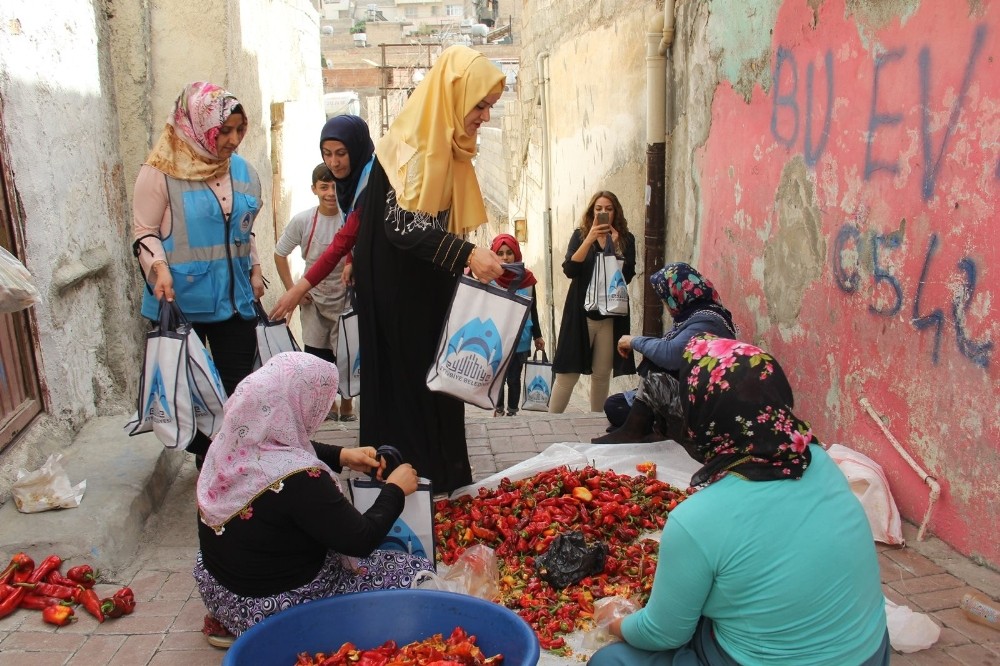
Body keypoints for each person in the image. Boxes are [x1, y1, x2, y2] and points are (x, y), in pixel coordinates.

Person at [588, 335, 890, 666]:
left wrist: (614, 620)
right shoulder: (818, 459)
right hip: (869, 654)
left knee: (612, 660)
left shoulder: (696, 520)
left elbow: (663, 634)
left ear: (700, 416)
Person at [193, 351, 430, 647]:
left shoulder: (228, 441)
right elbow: (360, 540)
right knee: (412, 570)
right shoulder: (300, 480)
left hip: (222, 591)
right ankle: (276, 634)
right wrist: (395, 490)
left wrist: (343, 456)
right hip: (275, 608)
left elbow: (285, 442)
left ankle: (229, 624)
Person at [352, 45, 506, 494]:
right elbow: (403, 227)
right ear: (455, 96)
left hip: (420, 288)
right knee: (414, 392)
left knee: (436, 388)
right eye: (480, 105)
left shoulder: (441, 141)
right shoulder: (418, 145)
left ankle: (440, 481)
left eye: (489, 107)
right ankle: (412, 491)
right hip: (403, 298)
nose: (485, 117)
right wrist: (467, 254)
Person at [132, 81, 264, 461]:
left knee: (240, 390)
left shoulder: (243, 172)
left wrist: (255, 268)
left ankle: (239, 462)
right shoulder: (160, 170)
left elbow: (244, 227)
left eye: (240, 129)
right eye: (225, 130)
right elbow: (144, 230)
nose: (234, 139)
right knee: (189, 394)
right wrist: (158, 266)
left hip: (234, 301)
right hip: (181, 301)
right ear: (197, 125)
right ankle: (209, 464)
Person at [593, 263, 737, 443]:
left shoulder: (707, 321)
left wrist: (633, 341)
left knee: (650, 372)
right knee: (615, 404)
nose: (665, 304)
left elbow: (670, 355)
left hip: (702, 405)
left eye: (665, 299)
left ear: (677, 295)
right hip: (690, 392)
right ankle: (646, 428)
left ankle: (636, 431)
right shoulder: (696, 315)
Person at [269, 115, 375, 324]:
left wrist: (298, 289)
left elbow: (343, 241)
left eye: (341, 154)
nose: (333, 163)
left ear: (356, 149)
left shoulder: (371, 185)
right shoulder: (352, 183)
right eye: (327, 154)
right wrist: (353, 260)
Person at [273, 164, 354, 421]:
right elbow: (279, 254)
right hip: (314, 300)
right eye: (324, 187)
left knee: (347, 353)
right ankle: (327, 404)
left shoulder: (349, 219)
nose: (330, 193)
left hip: (345, 297)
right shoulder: (303, 221)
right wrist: (293, 290)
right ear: (314, 189)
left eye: (335, 186)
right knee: (318, 355)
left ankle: (348, 403)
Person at [549, 191, 636, 414]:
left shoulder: (626, 240)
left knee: (601, 374)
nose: (603, 212)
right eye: (599, 209)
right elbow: (570, 270)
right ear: (592, 212)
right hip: (580, 315)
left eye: (608, 208)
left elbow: (624, 278)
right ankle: (550, 420)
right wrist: (589, 240)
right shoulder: (580, 236)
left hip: (609, 316)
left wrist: (614, 249)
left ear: (615, 212)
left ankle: (596, 423)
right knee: (567, 373)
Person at [490, 233, 544, 417]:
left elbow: (533, 309)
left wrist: (538, 335)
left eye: (509, 253)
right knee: (498, 377)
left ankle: (512, 411)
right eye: (500, 253)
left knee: (513, 378)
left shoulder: (527, 279)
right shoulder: (490, 278)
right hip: (497, 338)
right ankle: (498, 409)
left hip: (521, 338)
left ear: (516, 254)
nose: (505, 257)